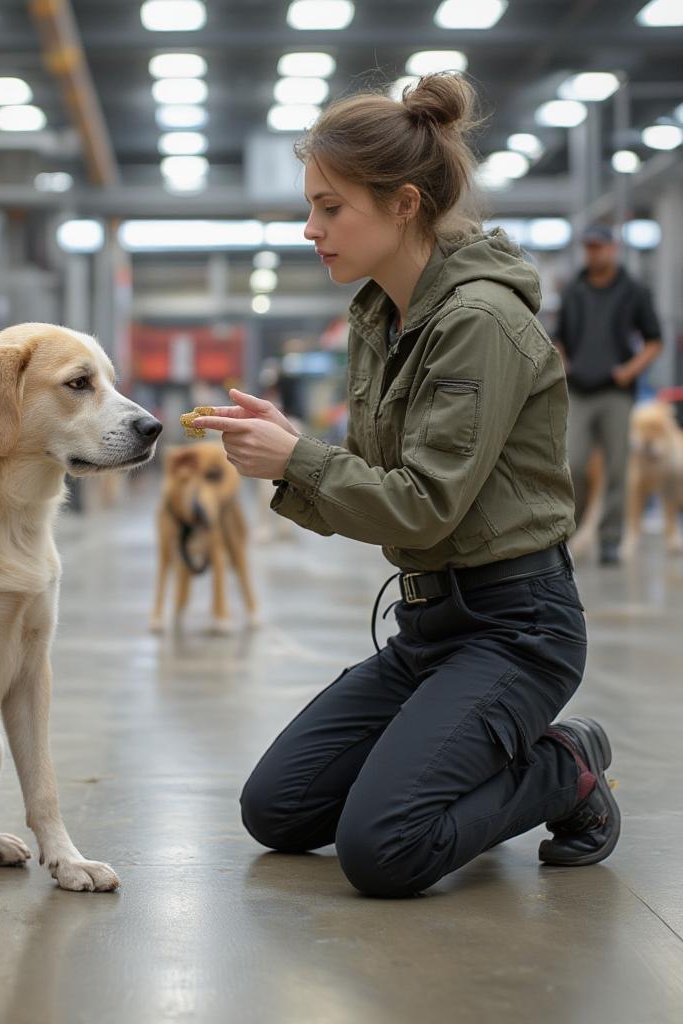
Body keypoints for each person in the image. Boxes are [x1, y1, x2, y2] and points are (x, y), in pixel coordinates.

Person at [191, 73, 619, 899]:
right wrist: (298, 449)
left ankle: (563, 768)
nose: (312, 229)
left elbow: (424, 503)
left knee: (384, 849)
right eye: (310, 207)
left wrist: (296, 460)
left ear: (404, 204)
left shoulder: (478, 323)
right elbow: (385, 483)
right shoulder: (380, 318)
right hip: (431, 627)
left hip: (516, 630)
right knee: (276, 810)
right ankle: (454, 764)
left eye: (330, 207)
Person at [554, 224, 663, 566]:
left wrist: (630, 370)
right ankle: (568, 534)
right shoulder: (574, 290)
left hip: (616, 393)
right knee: (574, 464)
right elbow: (559, 339)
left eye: (599, 247)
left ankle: (610, 540)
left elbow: (654, 340)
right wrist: (564, 363)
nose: (594, 253)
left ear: (613, 249)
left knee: (617, 468)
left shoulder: (633, 290)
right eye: (589, 247)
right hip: (580, 391)